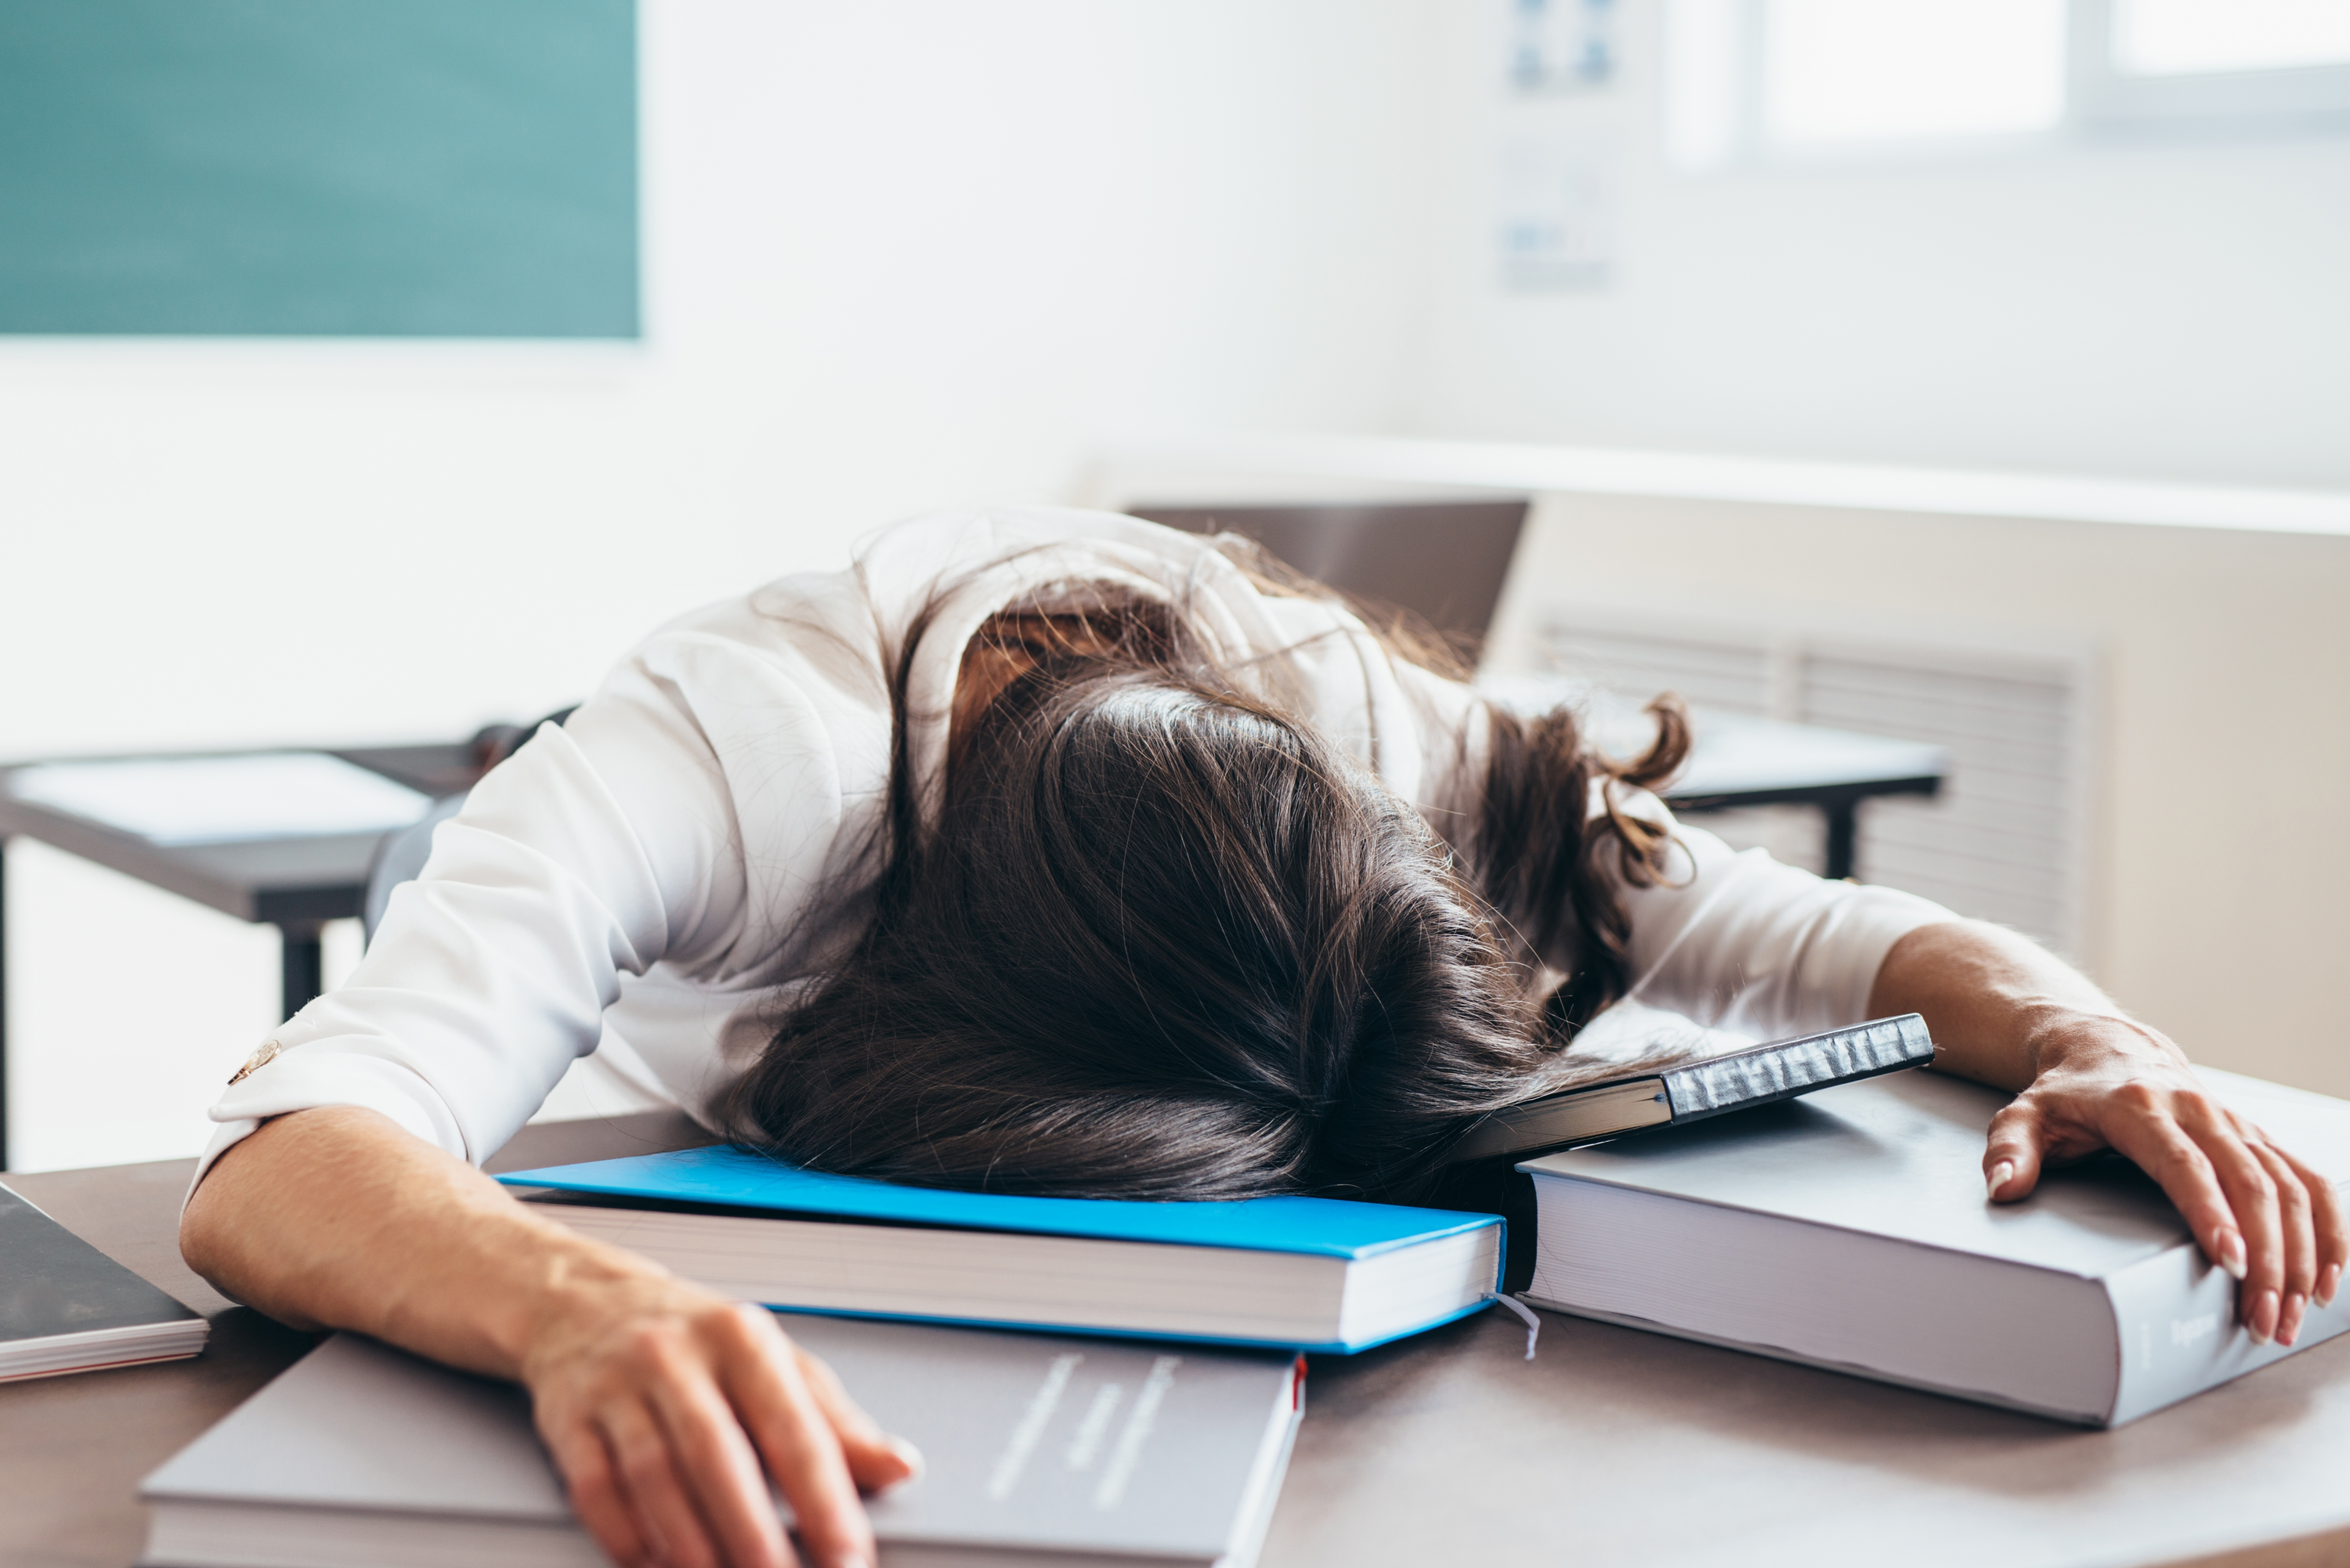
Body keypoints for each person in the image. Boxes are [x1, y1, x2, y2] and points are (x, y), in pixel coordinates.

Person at [182, 508, 2345, 1568]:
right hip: (607, 1020)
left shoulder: (1376, 738)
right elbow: (298, 1148)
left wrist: (2100, 1035)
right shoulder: (728, 765)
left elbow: (1833, 937)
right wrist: (575, 1312)